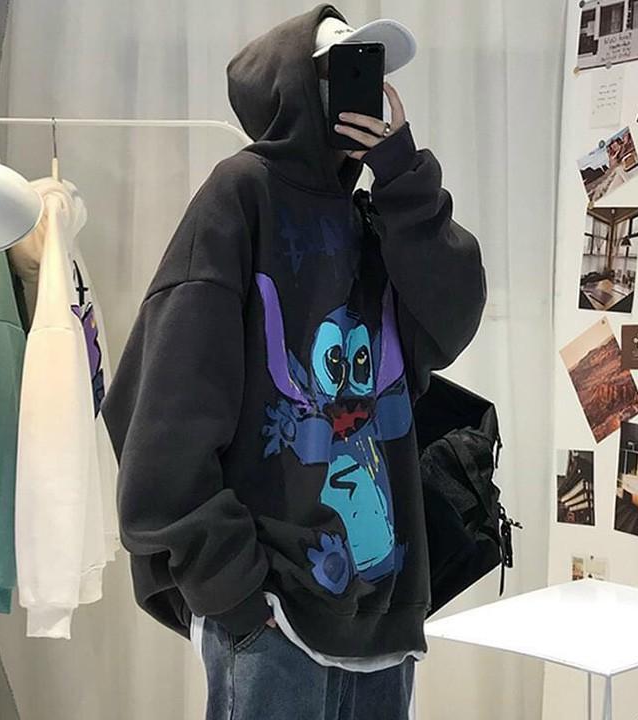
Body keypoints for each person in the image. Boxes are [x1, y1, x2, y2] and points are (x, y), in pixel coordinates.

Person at [100, 4, 487, 719]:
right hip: (273, 614)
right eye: (339, 72)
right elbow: (162, 409)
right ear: (294, 88)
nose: (359, 90)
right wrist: (234, 588)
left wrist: (403, 179)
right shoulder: (239, 195)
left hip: (384, 614)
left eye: (369, 72)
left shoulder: (378, 215)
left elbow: (454, 320)